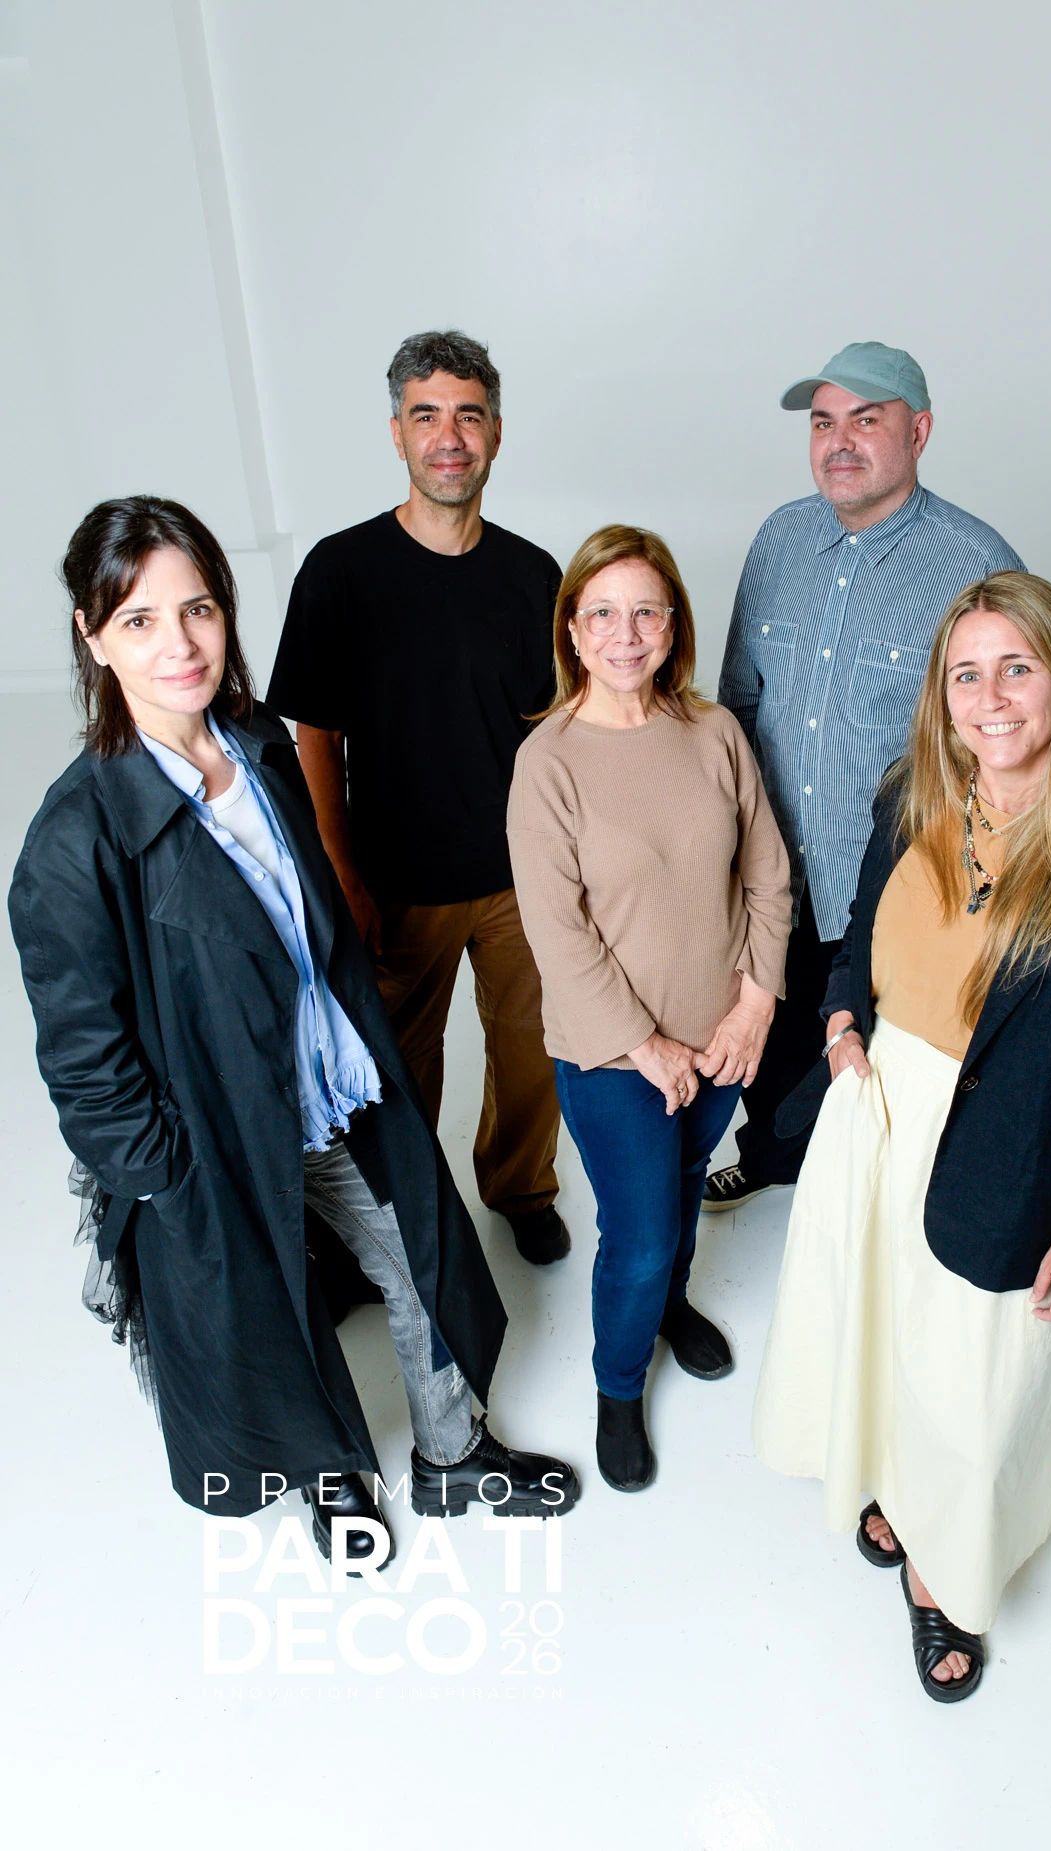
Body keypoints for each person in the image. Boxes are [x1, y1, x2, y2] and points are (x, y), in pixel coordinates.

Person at [9, 497, 581, 1564]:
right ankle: (330, 1486)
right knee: (271, 1318)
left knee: (420, 1256)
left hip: (330, 1087)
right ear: (91, 636)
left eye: (199, 610)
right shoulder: (73, 842)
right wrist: (179, 1186)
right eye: (137, 620)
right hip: (215, 1132)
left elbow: (306, 920)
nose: (177, 644)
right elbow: (85, 1068)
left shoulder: (259, 741)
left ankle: (453, 1460)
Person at [752, 571, 1051, 1701]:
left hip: (1015, 1145)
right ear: (939, 692)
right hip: (878, 1117)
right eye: (966, 673)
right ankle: (881, 1478)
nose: (989, 697)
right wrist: (837, 1015)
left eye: (1017, 667)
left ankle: (944, 1577)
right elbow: (860, 928)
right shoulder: (911, 793)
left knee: (977, 1379)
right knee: (873, 1324)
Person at [266, 330, 568, 1266]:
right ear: (396, 433)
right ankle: (393, 1219)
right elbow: (315, 732)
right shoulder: (341, 572)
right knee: (395, 1069)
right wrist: (340, 870)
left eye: (468, 415)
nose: (450, 436)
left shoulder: (534, 576)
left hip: (521, 876)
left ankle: (520, 1188)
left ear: (497, 434)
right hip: (394, 880)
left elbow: (561, 733)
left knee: (531, 1053)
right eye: (427, 415)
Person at [705, 341, 1024, 1212]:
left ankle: (860, 1202)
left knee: (874, 1055)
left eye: (866, 420)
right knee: (771, 1043)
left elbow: (1010, 736)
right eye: (823, 423)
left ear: (917, 431)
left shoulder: (975, 566)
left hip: (893, 882)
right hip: (773, 871)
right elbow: (739, 697)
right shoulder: (779, 538)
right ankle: (772, 1159)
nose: (839, 442)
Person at [507, 525, 792, 1491]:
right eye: (603, 613)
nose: (626, 634)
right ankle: (619, 1388)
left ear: (673, 626)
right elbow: (559, 935)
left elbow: (767, 875)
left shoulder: (714, 733)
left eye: (646, 611)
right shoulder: (547, 763)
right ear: (573, 631)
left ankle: (672, 1308)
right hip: (611, 1058)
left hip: (721, 1042)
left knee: (679, 1195)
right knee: (638, 1234)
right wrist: (645, 1046)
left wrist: (754, 1005)